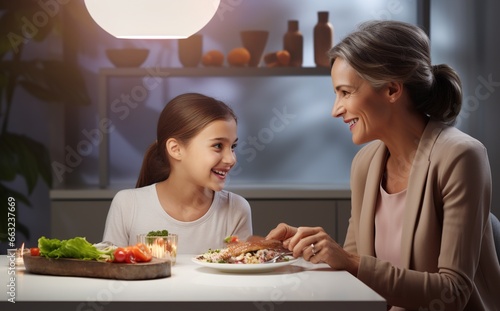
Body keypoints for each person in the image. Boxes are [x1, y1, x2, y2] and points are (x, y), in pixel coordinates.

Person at [266, 20, 500, 311]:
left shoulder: (461, 157)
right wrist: (302, 251)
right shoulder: (365, 163)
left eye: (345, 92)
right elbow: (354, 271)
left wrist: (347, 260)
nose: (335, 109)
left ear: (391, 89)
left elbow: (452, 293)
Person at [103, 93, 252, 254]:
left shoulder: (236, 209)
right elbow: (112, 271)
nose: (231, 159)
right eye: (217, 146)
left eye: (233, 147)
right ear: (176, 149)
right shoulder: (127, 205)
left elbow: (241, 273)